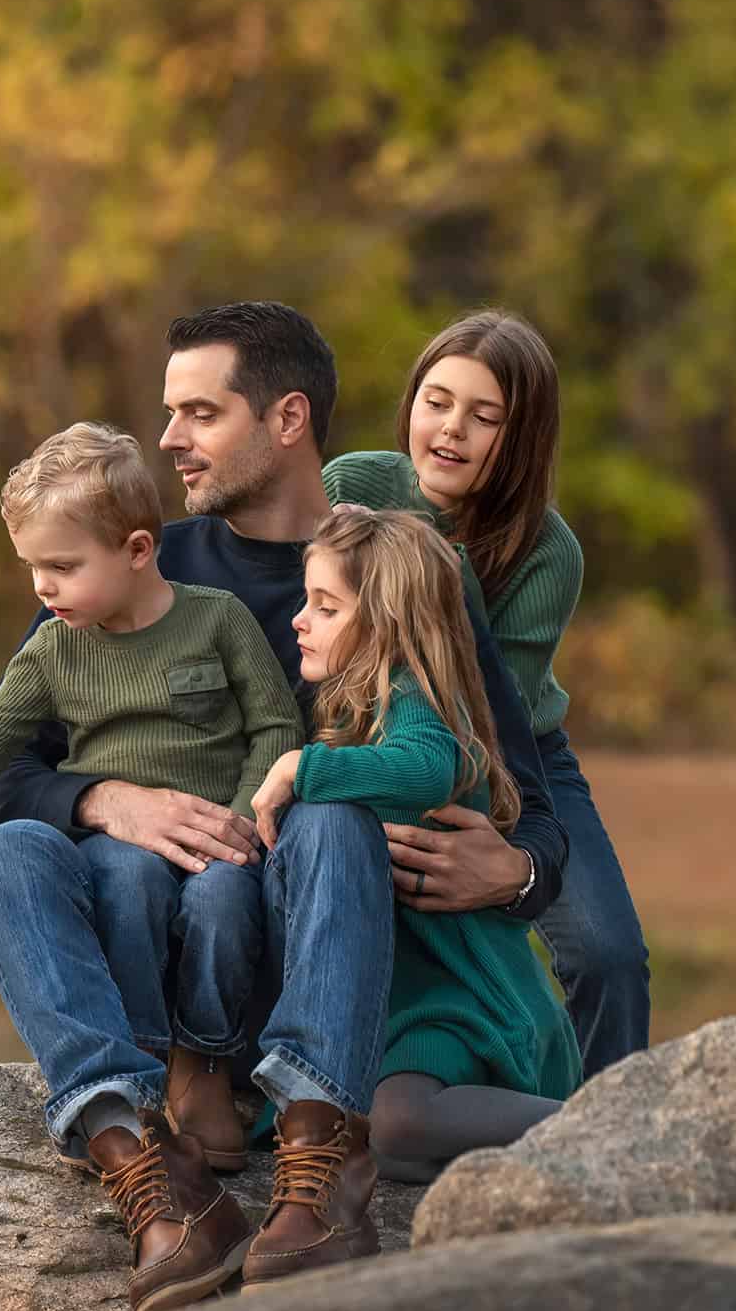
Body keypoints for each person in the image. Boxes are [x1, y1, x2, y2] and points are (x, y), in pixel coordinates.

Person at [0, 302, 571, 1307]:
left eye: (198, 413)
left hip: (323, 966)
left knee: (325, 813)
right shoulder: (138, 562)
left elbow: (527, 803)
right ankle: (156, 1181)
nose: (167, 440)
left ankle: (317, 1172)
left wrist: (519, 869)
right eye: (168, 413)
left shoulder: (400, 567)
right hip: (165, 960)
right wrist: (107, 799)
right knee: (4, 855)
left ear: (287, 419)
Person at [0, 420, 301, 1207]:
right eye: (31, 568)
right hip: (114, 845)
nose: (41, 590)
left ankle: (205, 1065)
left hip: (221, 840)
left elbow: (275, 726)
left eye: (60, 567)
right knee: (124, 877)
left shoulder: (217, 619)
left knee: (226, 901)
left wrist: (243, 819)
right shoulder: (55, 650)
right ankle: (138, 1085)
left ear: (136, 550)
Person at [322, 310, 649, 1077]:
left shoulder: (547, 552)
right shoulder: (354, 483)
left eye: (484, 417)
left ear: (522, 437)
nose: (450, 430)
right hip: (371, 730)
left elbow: (487, 712)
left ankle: (612, 1137)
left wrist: (514, 866)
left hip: (514, 749)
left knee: (610, 954)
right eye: (436, 402)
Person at [248, 508, 580, 1191]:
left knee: (398, 1130)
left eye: (326, 607)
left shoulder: (419, 701)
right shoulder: (354, 707)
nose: (299, 621)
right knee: (376, 1140)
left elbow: (427, 767)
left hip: (464, 1007)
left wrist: (298, 768)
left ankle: (610, 1124)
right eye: (306, 601)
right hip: (401, 1012)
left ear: (387, 627)